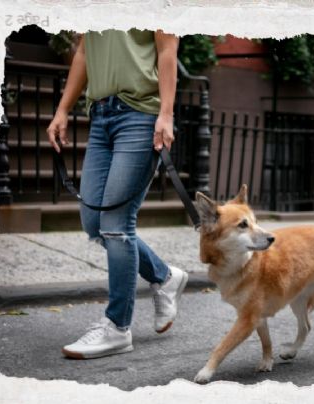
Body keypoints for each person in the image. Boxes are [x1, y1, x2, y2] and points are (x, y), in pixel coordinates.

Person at [46, 28, 188, 359]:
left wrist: (166, 115)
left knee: (116, 224)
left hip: (140, 115)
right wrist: (63, 109)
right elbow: (83, 51)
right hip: (101, 116)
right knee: (94, 222)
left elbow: (167, 49)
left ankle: (117, 327)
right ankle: (163, 277)